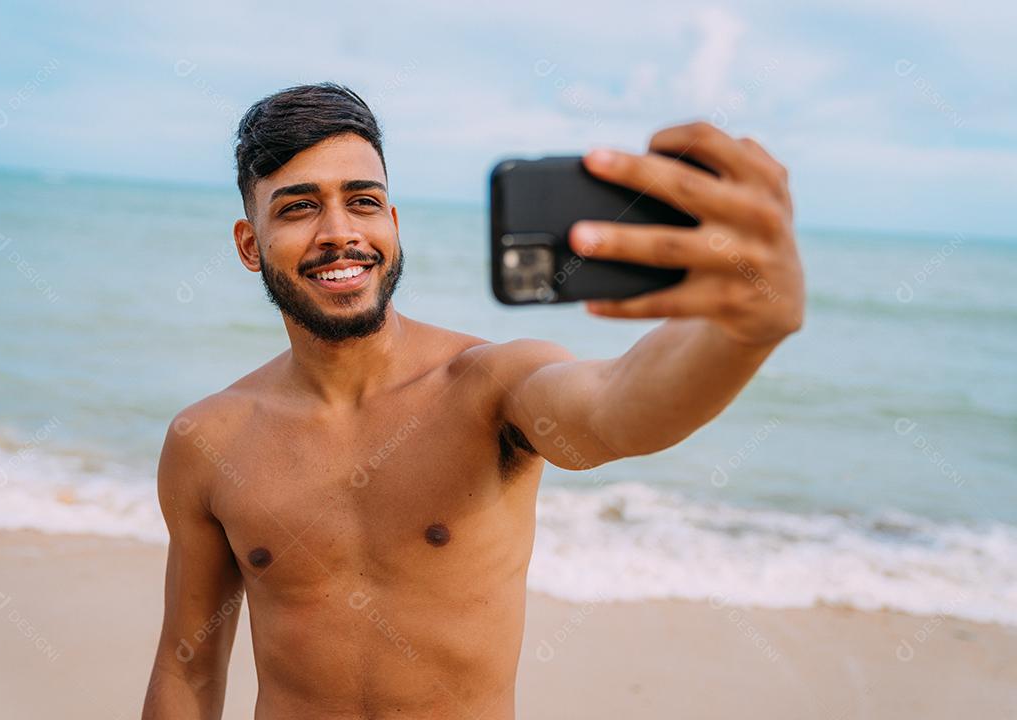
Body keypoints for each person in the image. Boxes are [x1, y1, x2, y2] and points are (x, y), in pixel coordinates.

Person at [141, 82, 804, 719]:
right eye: (298, 206)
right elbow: (187, 669)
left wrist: (743, 332)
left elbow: (616, 408)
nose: (340, 231)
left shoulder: (490, 387)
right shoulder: (210, 440)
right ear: (250, 246)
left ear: (393, 223)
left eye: (363, 201)